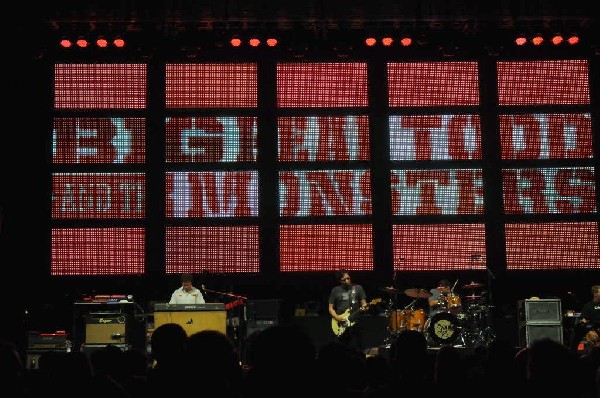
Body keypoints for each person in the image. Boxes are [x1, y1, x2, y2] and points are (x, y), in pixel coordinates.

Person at [328, 269, 368, 351]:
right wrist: (336, 317)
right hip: (340, 322)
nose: (347, 281)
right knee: (340, 347)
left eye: (348, 278)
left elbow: (364, 303)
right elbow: (330, 308)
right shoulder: (335, 290)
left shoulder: (358, 288)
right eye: (344, 280)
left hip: (355, 321)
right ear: (339, 281)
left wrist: (365, 307)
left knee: (358, 346)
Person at [575, 285, 600, 350]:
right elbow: (583, 319)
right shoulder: (588, 305)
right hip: (594, 329)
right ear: (595, 294)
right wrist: (590, 330)